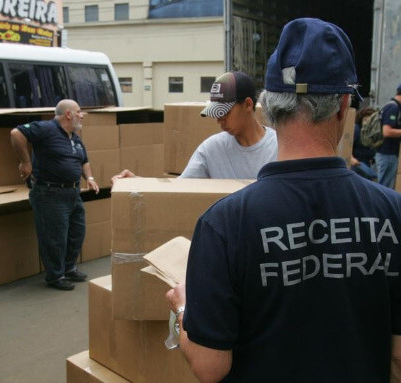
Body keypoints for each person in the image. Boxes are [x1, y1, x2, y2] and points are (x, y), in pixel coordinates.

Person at [166, 18, 401, 383]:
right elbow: (398, 357)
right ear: (343, 105)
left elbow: (210, 367)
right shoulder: (392, 212)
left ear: (266, 106)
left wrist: (185, 307)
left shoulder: (223, 224)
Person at [10, 99, 99, 291]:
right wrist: (26, 162)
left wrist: (89, 177)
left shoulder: (74, 137)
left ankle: (68, 268)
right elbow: (16, 133)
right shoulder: (46, 129)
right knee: (54, 238)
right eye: (79, 111)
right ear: (68, 114)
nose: (81, 115)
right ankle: (55, 276)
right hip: (50, 193)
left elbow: (84, 160)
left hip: (73, 193)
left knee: (77, 233)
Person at [180, 71, 277, 179]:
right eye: (216, 114)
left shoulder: (278, 149)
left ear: (248, 105)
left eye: (224, 113)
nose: (219, 120)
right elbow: (179, 189)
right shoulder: (211, 150)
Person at [374, 82, 401, 188]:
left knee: (387, 187)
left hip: (391, 154)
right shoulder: (392, 107)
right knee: (384, 187)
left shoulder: (396, 108)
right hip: (386, 154)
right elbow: (387, 132)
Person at [350, 107, 377, 180]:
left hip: (368, 164)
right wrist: (352, 159)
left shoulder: (372, 132)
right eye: (365, 119)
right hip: (357, 164)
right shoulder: (356, 130)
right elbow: (347, 146)